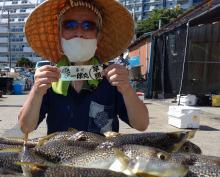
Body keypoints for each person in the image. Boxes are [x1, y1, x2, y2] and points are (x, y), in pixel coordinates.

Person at [18, 0, 149, 135]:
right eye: (69, 25)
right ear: (59, 34)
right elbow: (25, 128)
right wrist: (36, 91)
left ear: (98, 36)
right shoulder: (49, 78)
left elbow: (142, 124)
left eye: (88, 25)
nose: (79, 32)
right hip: (59, 154)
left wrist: (127, 89)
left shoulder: (112, 78)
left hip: (103, 154)